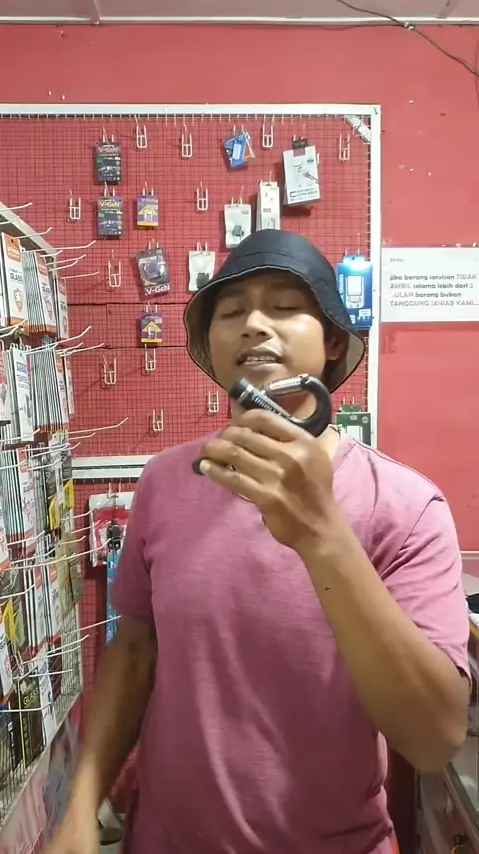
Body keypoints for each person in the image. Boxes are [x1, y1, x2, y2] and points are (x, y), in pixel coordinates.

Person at [47, 230, 470, 854]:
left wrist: (323, 535)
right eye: (231, 311)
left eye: (284, 305)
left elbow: (434, 738)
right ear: (210, 344)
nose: (253, 324)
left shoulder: (405, 507)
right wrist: (83, 805)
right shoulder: (165, 483)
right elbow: (133, 652)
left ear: (332, 341)